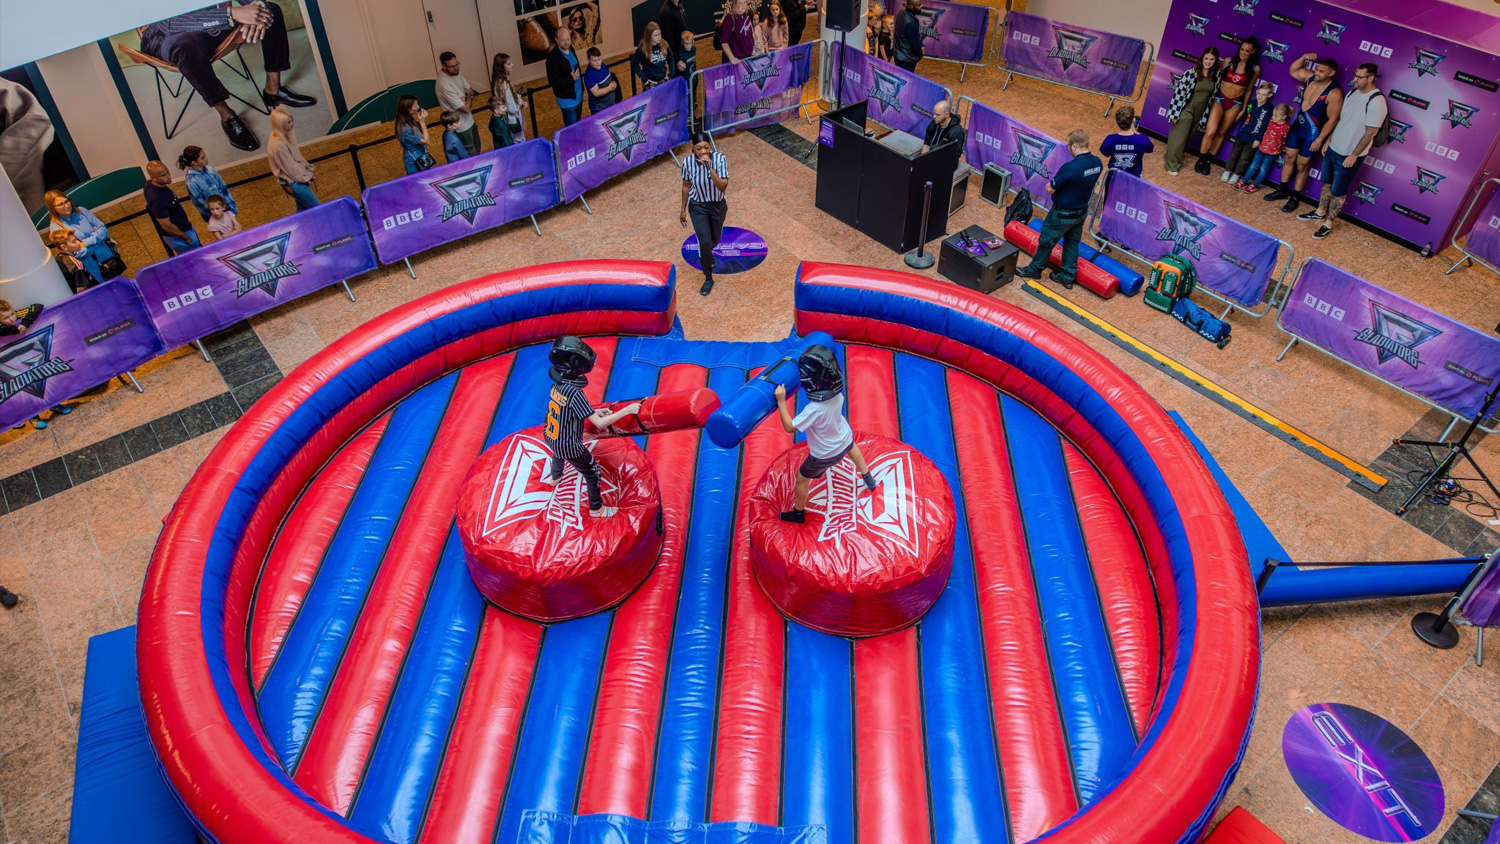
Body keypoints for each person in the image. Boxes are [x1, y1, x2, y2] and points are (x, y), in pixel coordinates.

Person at [137, 0, 318, 152]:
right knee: (184, 46)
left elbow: (255, 5)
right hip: (169, 36)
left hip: (216, 26)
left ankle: (273, 90)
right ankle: (226, 114)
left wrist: (256, 10)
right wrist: (232, 14)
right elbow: (168, 22)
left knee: (271, 11)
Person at [773, 345, 878, 524]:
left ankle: (798, 513)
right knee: (852, 447)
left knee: (801, 479)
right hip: (844, 438)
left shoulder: (814, 410)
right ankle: (868, 478)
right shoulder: (838, 396)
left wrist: (781, 401)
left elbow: (790, 427)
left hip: (825, 454)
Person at [543, 336, 642, 519]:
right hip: (570, 445)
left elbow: (571, 410)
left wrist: (599, 411)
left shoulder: (556, 387)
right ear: (574, 371)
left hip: (550, 436)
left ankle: (555, 477)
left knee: (557, 452)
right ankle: (597, 509)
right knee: (593, 472)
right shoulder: (575, 393)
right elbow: (599, 423)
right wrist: (627, 410)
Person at [1301, 62, 1386, 239]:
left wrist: (1354, 155)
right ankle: (1319, 212)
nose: (1355, 79)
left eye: (1360, 77)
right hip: (1334, 147)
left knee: (1338, 191)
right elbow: (1341, 119)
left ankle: (1328, 223)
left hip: (1349, 154)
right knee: (1326, 183)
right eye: (1355, 74)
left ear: (1371, 78)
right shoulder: (1352, 92)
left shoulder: (1377, 101)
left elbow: (1371, 132)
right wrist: (1330, 139)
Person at [1014, 129, 1102, 289]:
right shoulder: (1097, 164)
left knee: (1046, 241)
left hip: (1062, 213)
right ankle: (1067, 277)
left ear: (1075, 146)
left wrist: (1050, 186)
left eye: (1069, 146)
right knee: (1072, 244)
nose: (1069, 149)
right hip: (1081, 212)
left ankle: (1035, 269)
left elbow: (1050, 189)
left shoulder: (1070, 167)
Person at [1264, 54, 1343, 213]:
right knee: (1289, 159)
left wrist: (1320, 139)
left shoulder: (1334, 93)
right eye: (1317, 69)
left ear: (1331, 73)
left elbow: (1333, 119)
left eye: (1321, 71)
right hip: (1297, 128)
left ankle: (1295, 197)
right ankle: (1282, 189)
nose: (1317, 73)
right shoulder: (1310, 78)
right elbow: (1293, 70)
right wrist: (1304, 56)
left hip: (1312, 134)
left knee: (1302, 165)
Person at [0, 300, 72, 430]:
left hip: (30, 355)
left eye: (11, 314)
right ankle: (33, 416)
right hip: (11, 362)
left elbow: (38, 306)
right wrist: (15, 329)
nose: (11, 319)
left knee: (42, 380)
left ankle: (53, 404)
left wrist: (25, 322)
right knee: (24, 388)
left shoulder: (18, 314)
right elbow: (4, 330)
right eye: (6, 317)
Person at [1195, 36, 1260, 176]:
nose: (1243, 53)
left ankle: (1208, 161)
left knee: (1221, 133)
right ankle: (1201, 159)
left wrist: (1243, 108)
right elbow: (1216, 77)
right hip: (1220, 99)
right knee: (1210, 132)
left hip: (1235, 103)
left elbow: (1249, 89)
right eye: (1242, 49)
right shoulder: (1228, 61)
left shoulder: (1255, 69)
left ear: (1253, 52)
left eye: (1247, 51)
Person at [680, 131, 730, 296]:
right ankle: (708, 278)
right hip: (698, 206)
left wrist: (710, 168)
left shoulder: (720, 159)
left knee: (715, 240)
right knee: (705, 241)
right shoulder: (687, 163)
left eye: (706, 147)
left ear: (710, 146)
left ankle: (708, 252)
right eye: (699, 148)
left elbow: (722, 186)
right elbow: (686, 186)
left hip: (717, 205)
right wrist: (682, 210)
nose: (703, 151)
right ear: (693, 148)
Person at [1162, 47, 1220, 176]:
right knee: (1179, 138)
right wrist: (1174, 113)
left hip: (1201, 111)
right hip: (1187, 108)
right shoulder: (1191, 72)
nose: (1208, 62)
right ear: (1202, 58)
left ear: (1215, 61)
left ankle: (1170, 156)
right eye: (1206, 58)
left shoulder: (1216, 76)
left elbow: (1212, 97)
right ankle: (1171, 165)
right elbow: (1179, 93)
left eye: (1211, 59)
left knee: (1186, 139)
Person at [45, 192, 115, 273]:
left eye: (66, 201)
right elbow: (77, 253)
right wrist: (98, 238)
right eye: (60, 204)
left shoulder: (81, 211)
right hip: (92, 267)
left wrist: (84, 243)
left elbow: (104, 231)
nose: (67, 205)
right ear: (52, 208)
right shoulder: (56, 227)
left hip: (108, 256)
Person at [1222, 81, 1274, 185]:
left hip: (1253, 138)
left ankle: (1237, 174)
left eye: (1264, 95)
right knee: (1234, 153)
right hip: (1242, 134)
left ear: (1270, 95)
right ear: (1256, 92)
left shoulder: (1269, 109)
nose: (1261, 96)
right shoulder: (1251, 104)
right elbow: (1245, 119)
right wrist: (1241, 130)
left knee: (1245, 157)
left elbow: (1264, 126)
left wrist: (1258, 139)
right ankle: (1227, 171)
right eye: (1259, 93)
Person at [267, 106, 317, 211]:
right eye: (288, 122)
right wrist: (308, 175)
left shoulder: (282, 135)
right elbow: (292, 168)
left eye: (291, 121)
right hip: (294, 183)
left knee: (302, 212)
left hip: (294, 182)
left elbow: (296, 159)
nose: (292, 124)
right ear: (280, 124)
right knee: (319, 209)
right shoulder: (279, 145)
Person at [144, 160, 200, 254]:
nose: (168, 176)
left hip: (184, 228)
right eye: (163, 175)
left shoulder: (149, 184)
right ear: (153, 178)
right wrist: (185, 237)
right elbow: (166, 226)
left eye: (168, 172)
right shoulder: (158, 199)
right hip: (179, 236)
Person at [1237, 104, 1292, 194]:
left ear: (1284, 117)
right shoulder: (1269, 121)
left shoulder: (1286, 127)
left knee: (1264, 168)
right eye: (1273, 115)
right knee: (1253, 165)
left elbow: (1284, 139)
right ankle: (1244, 181)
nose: (1273, 117)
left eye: (1276, 116)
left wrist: (1281, 149)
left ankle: (1255, 184)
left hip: (1272, 152)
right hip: (1261, 148)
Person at [436, 51, 481, 158]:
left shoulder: (456, 72)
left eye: (457, 64)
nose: (456, 68)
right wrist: (468, 96)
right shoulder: (444, 84)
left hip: (469, 121)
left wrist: (468, 95)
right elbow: (466, 108)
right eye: (451, 66)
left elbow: (471, 90)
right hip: (461, 126)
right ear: (443, 66)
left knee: (477, 148)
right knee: (471, 154)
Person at [177, 146, 237, 222]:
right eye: (202, 158)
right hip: (216, 217)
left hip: (228, 210)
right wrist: (216, 218)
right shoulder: (191, 182)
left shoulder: (210, 170)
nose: (206, 158)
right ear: (193, 162)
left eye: (205, 155)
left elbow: (224, 189)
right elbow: (201, 204)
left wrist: (231, 208)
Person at [1099, 104, 1154, 178]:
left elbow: (1105, 153)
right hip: (1134, 178)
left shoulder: (1110, 139)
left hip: (1114, 177)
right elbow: (1150, 149)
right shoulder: (1143, 139)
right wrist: (1136, 133)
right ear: (1133, 121)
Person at [546, 26, 586, 125]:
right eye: (563, 40)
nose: (566, 42)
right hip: (567, 101)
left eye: (568, 39)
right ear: (556, 40)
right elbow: (554, 82)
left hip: (578, 96)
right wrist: (571, 78)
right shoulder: (552, 58)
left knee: (578, 125)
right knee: (571, 130)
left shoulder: (571, 48)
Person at [489, 53, 526, 149]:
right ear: (502, 67)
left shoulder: (496, 80)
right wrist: (520, 105)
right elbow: (511, 107)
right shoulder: (504, 84)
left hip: (505, 116)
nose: (512, 65)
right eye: (509, 64)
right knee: (519, 140)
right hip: (512, 117)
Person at [394, 95, 433, 174]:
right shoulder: (405, 128)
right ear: (408, 109)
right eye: (415, 106)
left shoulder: (409, 119)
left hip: (421, 155)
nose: (418, 107)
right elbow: (426, 141)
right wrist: (422, 121)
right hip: (414, 161)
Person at [633, 24, 671, 91]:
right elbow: (634, 64)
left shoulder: (664, 44)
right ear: (649, 36)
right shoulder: (643, 47)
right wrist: (643, 78)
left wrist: (671, 73)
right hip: (650, 81)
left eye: (659, 34)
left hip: (663, 78)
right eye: (655, 35)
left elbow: (671, 57)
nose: (658, 37)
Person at [719, 0, 756, 64]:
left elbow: (751, 34)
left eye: (745, 2)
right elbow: (724, 42)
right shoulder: (730, 18)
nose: (743, 5)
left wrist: (754, 49)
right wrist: (732, 58)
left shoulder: (747, 15)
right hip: (737, 60)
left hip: (748, 56)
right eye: (740, 3)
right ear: (734, 4)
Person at [584, 48, 620, 113]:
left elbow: (608, 78)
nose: (598, 63)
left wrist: (613, 82)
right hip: (599, 109)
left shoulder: (603, 65)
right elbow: (596, 93)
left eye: (599, 59)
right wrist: (610, 88)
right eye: (594, 61)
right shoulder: (589, 75)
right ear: (589, 60)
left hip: (610, 105)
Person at [892, 0, 924, 72]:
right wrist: (920, 54)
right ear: (911, 6)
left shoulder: (901, 11)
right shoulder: (911, 24)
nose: (921, 6)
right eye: (919, 5)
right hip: (906, 59)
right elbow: (914, 44)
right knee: (907, 80)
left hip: (898, 53)